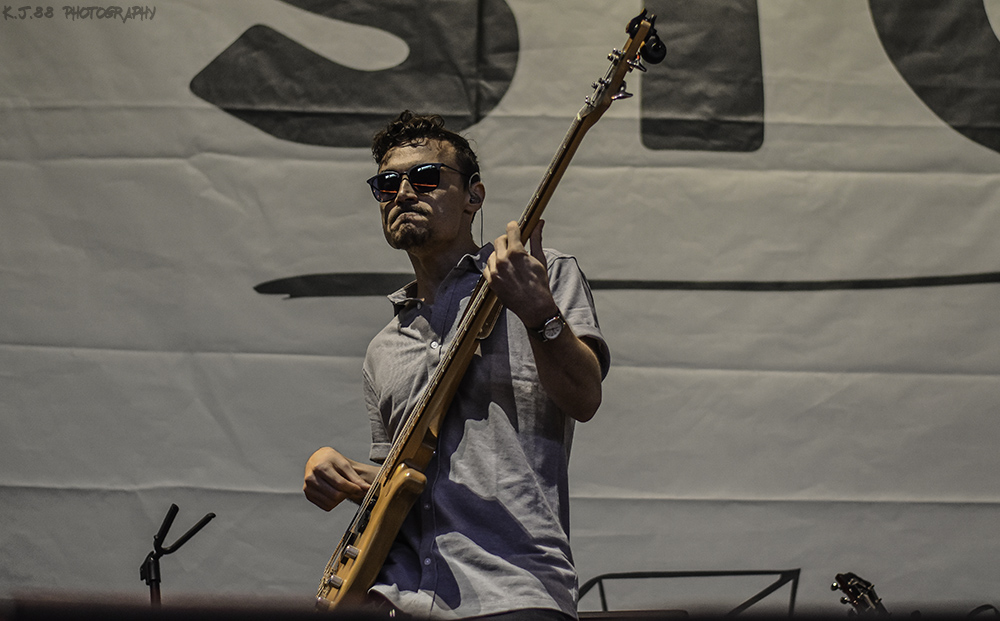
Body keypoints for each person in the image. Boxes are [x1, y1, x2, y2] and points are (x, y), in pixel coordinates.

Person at [303, 110, 611, 620]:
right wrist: (335, 469)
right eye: (387, 183)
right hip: (392, 599)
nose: (403, 192)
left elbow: (585, 397)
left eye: (426, 178)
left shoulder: (542, 272)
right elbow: (399, 478)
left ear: (475, 196)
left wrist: (537, 311)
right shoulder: (384, 346)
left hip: (511, 589)